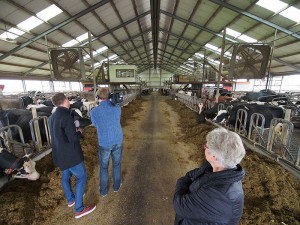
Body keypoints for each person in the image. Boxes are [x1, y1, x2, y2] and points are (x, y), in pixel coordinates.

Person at [173, 127, 246, 225]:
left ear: (214, 156)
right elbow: (193, 173)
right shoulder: (217, 168)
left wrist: (181, 182)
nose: (204, 147)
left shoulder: (220, 194)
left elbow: (180, 205)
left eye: (206, 147)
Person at [49, 93, 96, 219]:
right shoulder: (66, 116)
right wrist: (80, 131)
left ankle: (71, 199)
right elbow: (73, 138)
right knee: (81, 178)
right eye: (67, 99)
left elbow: (58, 135)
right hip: (71, 155)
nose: (69, 101)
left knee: (66, 176)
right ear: (65, 100)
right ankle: (79, 209)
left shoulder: (52, 117)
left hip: (60, 154)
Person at [90, 87, 123, 197]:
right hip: (117, 140)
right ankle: (116, 186)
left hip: (104, 142)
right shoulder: (117, 108)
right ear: (109, 96)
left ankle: (103, 191)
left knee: (104, 167)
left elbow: (95, 124)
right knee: (117, 164)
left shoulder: (94, 111)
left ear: (98, 97)